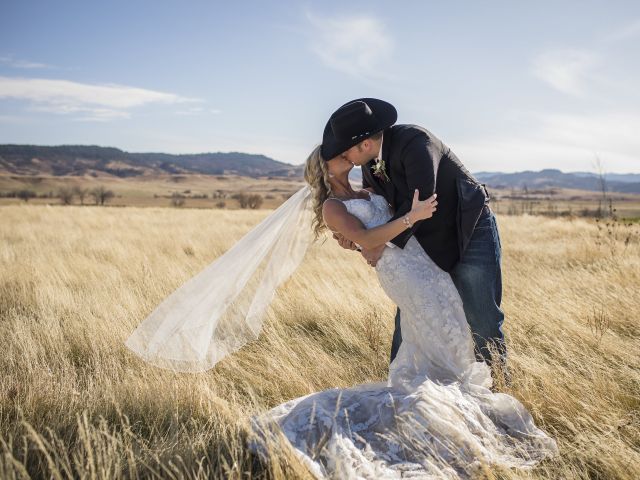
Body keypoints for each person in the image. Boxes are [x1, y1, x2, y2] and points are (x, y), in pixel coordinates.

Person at [249, 144, 557, 478]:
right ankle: (447, 414)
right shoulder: (332, 207)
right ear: (323, 167)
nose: (345, 154)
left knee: (452, 329)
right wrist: (407, 220)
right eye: (336, 153)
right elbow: (366, 238)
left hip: (424, 263)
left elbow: (377, 232)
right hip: (402, 273)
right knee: (444, 331)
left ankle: (444, 410)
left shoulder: (366, 188)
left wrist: (385, 233)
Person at [325, 98, 506, 373]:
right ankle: (401, 390)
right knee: (413, 315)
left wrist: (379, 242)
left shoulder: (415, 142)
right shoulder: (369, 164)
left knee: (482, 318)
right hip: (419, 246)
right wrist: (356, 240)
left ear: (365, 144)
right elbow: (382, 212)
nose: (345, 158)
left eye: (345, 150)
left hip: (468, 231)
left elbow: (421, 203)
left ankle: (496, 387)